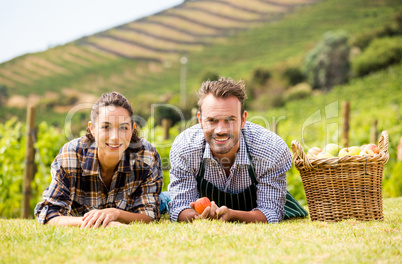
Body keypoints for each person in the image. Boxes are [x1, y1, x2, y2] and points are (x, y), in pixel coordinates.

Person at [168, 78, 307, 223]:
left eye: (230, 119)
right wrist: (198, 216)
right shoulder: (185, 147)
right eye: (212, 120)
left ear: (243, 119)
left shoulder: (270, 148)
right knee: (167, 198)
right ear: (200, 121)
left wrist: (233, 215)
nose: (220, 130)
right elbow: (179, 207)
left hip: (258, 210)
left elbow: (271, 212)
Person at [35, 92, 163, 228]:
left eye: (123, 127)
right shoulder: (71, 155)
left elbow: (149, 215)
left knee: (165, 202)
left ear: (132, 129)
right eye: (106, 127)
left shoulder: (146, 156)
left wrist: (115, 213)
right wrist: (100, 222)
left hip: (155, 201)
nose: (115, 137)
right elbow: (49, 214)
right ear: (92, 129)